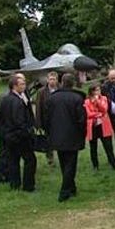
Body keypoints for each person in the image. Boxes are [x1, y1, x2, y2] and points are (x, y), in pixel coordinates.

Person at [45, 73, 86, 202]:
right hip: (73, 135)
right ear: (73, 83)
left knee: (64, 163)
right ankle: (64, 191)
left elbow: (47, 118)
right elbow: (82, 119)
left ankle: (71, 187)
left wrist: (50, 132)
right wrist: (82, 133)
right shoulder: (77, 98)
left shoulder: (52, 98)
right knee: (70, 164)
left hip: (57, 135)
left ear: (61, 82)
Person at [0, 74, 36, 191]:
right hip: (19, 136)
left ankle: (15, 185)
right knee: (30, 160)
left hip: (8, 135)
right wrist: (27, 132)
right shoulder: (17, 102)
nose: (24, 86)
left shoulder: (5, 99)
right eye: (22, 84)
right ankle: (28, 186)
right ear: (15, 86)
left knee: (13, 160)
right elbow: (20, 121)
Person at [84, 84, 115, 170]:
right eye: (96, 90)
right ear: (92, 92)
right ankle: (95, 165)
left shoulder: (104, 99)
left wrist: (97, 102)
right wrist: (98, 114)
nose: (98, 92)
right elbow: (88, 114)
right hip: (93, 126)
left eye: (99, 90)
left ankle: (113, 163)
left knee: (108, 146)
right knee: (93, 147)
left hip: (104, 125)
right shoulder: (87, 101)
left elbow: (104, 109)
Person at [35, 71, 58, 167]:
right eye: (50, 79)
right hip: (47, 121)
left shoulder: (60, 90)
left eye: (54, 79)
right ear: (47, 80)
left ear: (57, 80)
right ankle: (50, 159)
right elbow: (38, 107)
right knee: (48, 141)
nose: (52, 81)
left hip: (59, 120)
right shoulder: (41, 92)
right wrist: (38, 123)